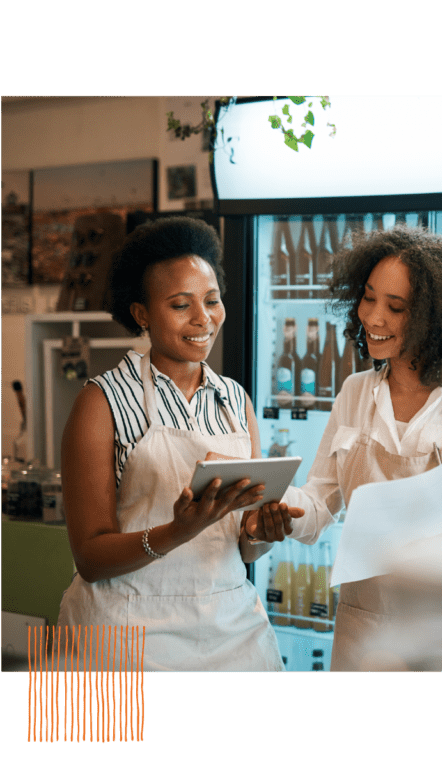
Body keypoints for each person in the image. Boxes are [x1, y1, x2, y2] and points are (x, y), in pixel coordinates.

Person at [256, 224, 442, 672]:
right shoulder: (354, 393)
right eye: (368, 298)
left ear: (435, 317)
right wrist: (273, 501)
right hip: (363, 632)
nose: (373, 318)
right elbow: (319, 503)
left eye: (395, 307)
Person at [57, 216, 300, 672]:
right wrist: (177, 532)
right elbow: (90, 557)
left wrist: (259, 533)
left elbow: (240, 545)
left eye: (211, 300)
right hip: (126, 638)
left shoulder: (234, 399)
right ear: (142, 314)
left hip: (232, 634)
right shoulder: (102, 401)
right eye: (180, 305)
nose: (202, 319)